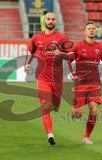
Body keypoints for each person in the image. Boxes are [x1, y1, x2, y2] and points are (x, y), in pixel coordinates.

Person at [25, 12, 72, 145]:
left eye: (52, 19)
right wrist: (27, 64)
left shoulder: (62, 37)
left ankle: (55, 106)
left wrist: (61, 53)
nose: (50, 21)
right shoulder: (36, 38)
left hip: (57, 79)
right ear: (44, 21)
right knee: (46, 106)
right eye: (48, 19)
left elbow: (70, 55)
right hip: (42, 77)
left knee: (55, 107)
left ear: (55, 21)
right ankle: (50, 135)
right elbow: (31, 51)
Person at [68, 21, 102, 144]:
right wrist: (72, 74)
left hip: (94, 83)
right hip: (80, 84)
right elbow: (68, 60)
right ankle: (74, 110)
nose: (91, 30)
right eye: (89, 28)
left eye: (93, 28)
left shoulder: (100, 47)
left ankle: (86, 137)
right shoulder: (78, 46)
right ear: (85, 31)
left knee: (93, 109)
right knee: (77, 114)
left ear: (96, 31)